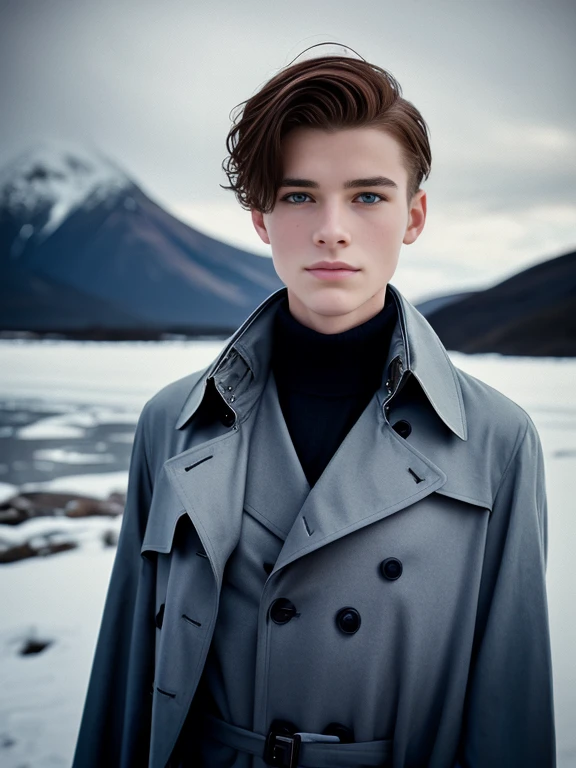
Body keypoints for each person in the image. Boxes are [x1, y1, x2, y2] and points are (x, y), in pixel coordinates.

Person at [71, 43, 556, 768]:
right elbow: (124, 678)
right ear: (262, 217)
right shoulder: (172, 422)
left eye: (368, 196)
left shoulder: (496, 440)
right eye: (299, 195)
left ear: (414, 215)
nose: (332, 227)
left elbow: (509, 710)